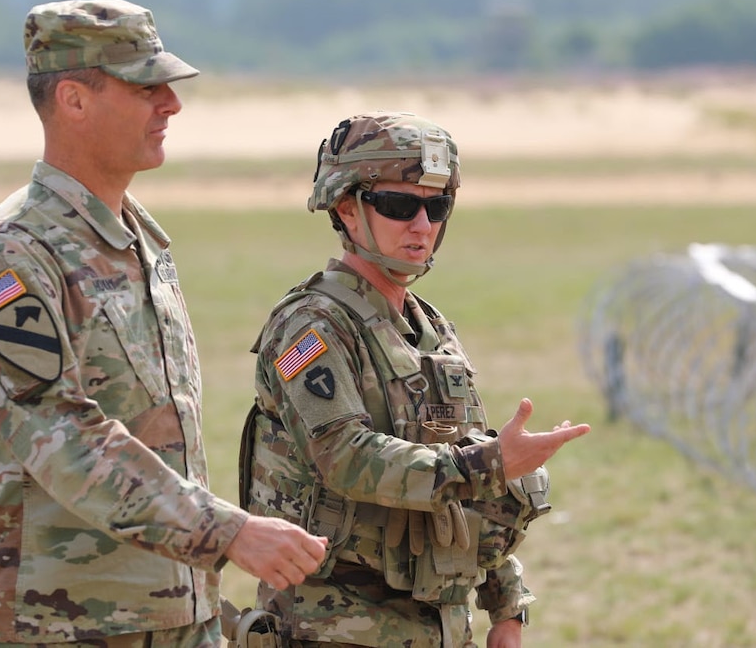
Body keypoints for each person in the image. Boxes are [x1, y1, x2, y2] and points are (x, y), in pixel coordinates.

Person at [0, 0, 327, 647]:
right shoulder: (9, 255)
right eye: (145, 86)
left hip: (166, 618)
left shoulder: (138, 241)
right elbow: (62, 436)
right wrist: (228, 531)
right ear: (74, 100)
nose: (170, 104)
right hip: (43, 625)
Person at [238, 111, 591, 647]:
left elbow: (461, 476)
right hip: (333, 629)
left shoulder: (429, 327)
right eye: (400, 205)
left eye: (437, 206)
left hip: (440, 629)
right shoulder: (308, 329)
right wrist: (488, 463)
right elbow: (345, 457)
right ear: (346, 210)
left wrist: (506, 603)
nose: (422, 226)